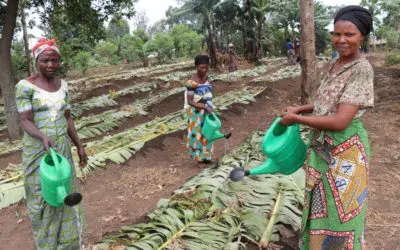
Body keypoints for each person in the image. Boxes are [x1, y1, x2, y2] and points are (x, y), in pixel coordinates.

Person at [280, 6, 374, 249]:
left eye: (349, 35)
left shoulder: (361, 69)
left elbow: (340, 120)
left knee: (339, 214)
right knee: (321, 207)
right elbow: (325, 103)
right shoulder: (335, 62)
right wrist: (300, 109)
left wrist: (298, 120)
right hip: (324, 147)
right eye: (336, 34)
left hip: (344, 153)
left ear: (362, 36)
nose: (341, 40)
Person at [15, 38, 87, 249]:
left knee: (64, 193)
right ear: (37, 60)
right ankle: (48, 245)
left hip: (61, 151)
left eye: (55, 60)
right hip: (39, 153)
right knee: (43, 198)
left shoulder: (63, 86)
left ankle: (68, 243)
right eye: (46, 60)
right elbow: (25, 120)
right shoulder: (25, 87)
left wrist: (79, 146)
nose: (51, 65)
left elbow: (68, 118)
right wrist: (42, 137)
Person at [184, 55, 214, 166]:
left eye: (206, 68)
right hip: (195, 112)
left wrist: (209, 105)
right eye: (201, 67)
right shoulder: (191, 82)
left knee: (208, 133)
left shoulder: (206, 79)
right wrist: (204, 106)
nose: (204, 70)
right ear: (196, 66)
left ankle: (207, 156)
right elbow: (190, 101)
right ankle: (199, 158)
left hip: (206, 110)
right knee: (197, 134)